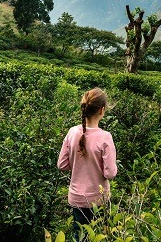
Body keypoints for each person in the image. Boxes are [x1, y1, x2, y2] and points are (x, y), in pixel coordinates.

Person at [57, 88, 117, 242]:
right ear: (102, 110)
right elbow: (110, 173)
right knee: (99, 235)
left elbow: (62, 164)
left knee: (80, 236)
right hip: (99, 199)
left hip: (77, 198)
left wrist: (79, 164)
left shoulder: (72, 132)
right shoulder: (105, 137)